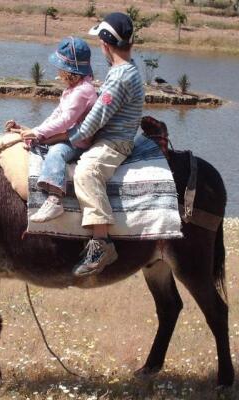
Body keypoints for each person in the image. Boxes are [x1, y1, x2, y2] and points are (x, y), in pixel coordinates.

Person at [68, 12, 145, 277]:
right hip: (115, 136)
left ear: (105, 45)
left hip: (114, 143)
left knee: (86, 171)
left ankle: (102, 243)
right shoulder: (127, 69)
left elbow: (97, 117)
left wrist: (71, 137)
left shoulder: (120, 76)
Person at [8, 37, 98, 222]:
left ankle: (55, 199)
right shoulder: (73, 89)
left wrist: (39, 133)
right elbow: (56, 115)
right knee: (38, 142)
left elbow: (66, 120)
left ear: (70, 72)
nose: (58, 71)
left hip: (77, 140)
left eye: (61, 69)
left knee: (56, 153)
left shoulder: (83, 92)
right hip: (66, 134)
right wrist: (35, 130)